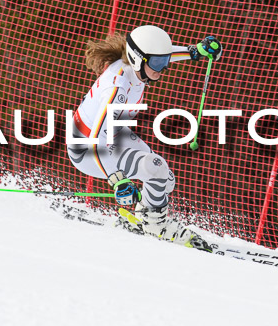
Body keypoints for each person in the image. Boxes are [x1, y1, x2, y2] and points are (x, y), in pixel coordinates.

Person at [67, 24, 222, 246]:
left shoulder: (136, 67)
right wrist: (117, 180)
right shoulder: (117, 88)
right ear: (138, 59)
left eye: (165, 62)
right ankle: (155, 226)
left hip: (113, 134)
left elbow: (161, 55)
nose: (162, 69)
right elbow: (96, 140)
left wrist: (194, 51)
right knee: (155, 169)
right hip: (87, 148)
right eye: (158, 64)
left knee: (166, 180)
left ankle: (144, 216)